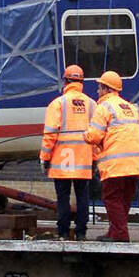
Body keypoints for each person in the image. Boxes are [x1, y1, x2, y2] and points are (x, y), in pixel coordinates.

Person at [84, 70, 139, 242]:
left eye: (99, 88)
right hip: (134, 164)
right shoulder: (131, 108)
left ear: (106, 88)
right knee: (123, 201)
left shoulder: (104, 108)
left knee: (111, 199)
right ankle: (115, 231)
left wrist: (84, 135)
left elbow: (94, 136)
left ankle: (120, 234)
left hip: (116, 164)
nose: (97, 91)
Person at [41, 64, 96, 240]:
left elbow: (50, 134)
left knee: (63, 198)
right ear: (81, 82)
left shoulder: (57, 104)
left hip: (62, 159)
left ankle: (63, 232)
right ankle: (81, 233)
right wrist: (94, 158)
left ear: (65, 81)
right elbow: (97, 134)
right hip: (83, 158)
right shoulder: (91, 104)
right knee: (82, 197)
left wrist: (45, 158)